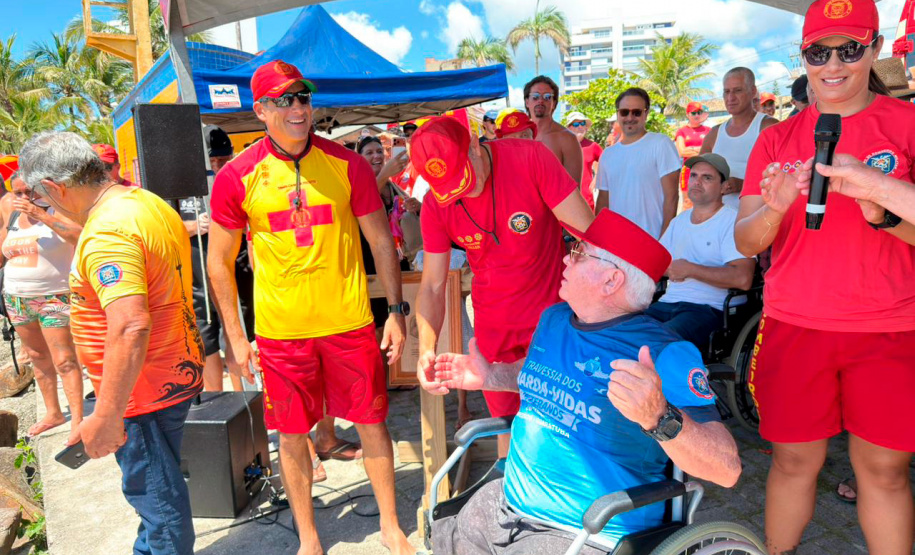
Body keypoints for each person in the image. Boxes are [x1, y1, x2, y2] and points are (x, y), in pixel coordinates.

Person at [423, 209, 741, 553]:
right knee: (448, 529)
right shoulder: (555, 318)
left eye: (577, 252)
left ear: (611, 281)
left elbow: (727, 469)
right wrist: (490, 375)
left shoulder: (665, 353)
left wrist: (660, 417)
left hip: (583, 531)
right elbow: (536, 372)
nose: (565, 258)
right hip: (505, 503)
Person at [206, 60, 415, 555]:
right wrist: (237, 339)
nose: (298, 107)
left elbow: (380, 241)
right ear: (261, 110)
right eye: (284, 100)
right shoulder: (237, 175)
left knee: (372, 422)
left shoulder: (348, 164)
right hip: (282, 335)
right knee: (292, 435)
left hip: (350, 325)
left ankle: (391, 526)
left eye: (303, 97)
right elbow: (218, 263)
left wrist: (395, 311)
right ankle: (310, 539)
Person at [734, 1, 915, 552]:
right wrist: (774, 208)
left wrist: (883, 206)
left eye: (850, 49)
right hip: (794, 325)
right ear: (804, 56)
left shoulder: (907, 125)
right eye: (819, 53)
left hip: (889, 327)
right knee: (792, 461)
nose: (833, 65)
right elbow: (746, 242)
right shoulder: (776, 138)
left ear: (875, 49)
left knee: (884, 473)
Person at [21, 131, 204, 555]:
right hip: (172, 372)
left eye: (43, 200)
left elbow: (130, 326)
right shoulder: (144, 202)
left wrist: (106, 415)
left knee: (158, 502)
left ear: (53, 187)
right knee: (156, 493)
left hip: (140, 394)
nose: (47, 208)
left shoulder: (107, 232)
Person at [412, 116, 593, 457]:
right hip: (494, 333)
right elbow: (433, 286)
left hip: (551, 323)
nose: (464, 193)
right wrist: (426, 349)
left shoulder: (530, 157)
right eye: (451, 190)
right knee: (506, 429)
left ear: (475, 146)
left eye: (464, 179)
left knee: (562, 430)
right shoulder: (436, 205)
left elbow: (589, 233)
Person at [0, 173, 83, 444]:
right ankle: (53, 413)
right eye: (18, 193)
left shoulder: (59, 210)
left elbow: (78, 236)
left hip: (53, 297)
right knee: (37, 357)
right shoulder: (13, 217)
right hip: (17, 298)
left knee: (64, 360)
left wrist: (40, 213)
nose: (25, 198)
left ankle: (78, 420)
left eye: (29, 191)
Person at [644, 154, 755, 351]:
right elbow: (655, 264)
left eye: (707, 177)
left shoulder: (733, 222)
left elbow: (743, 278)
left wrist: (690, 270)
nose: (697, 181)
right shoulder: (679, 221)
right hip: (667, 302)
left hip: (707, 309)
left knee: (656, 340)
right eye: (694, 175)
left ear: (724, 187)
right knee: (622, 330)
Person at [178, 125, 249, 393]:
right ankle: (216, 400)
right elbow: (164, 227)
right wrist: (193, 226)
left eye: (224, 159)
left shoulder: (239, 180)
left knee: (238, 338)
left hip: (236, 277)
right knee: (206, 345)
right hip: (199, 284)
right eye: (213, 161)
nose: (218, 166)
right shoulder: (181, 186)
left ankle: (246, 400)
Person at [595, 87, 681, 239]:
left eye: (636, 112)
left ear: (646, 113)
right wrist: (598, 238)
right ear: (618, 114)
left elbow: (672, 197)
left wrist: (664, 240)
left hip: (652, 239)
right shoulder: (608, 154)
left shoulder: (660, 144)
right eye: (624, 112)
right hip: (616, 241)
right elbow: (603, 200)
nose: (630, 117)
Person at [700, 68, 779, 210]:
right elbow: (699, 176)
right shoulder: (715, 133)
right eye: (726, 91)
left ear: (753, 91)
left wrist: (742, 184)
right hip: (719, 217)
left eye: (737, 90)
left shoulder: (768, 127)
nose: (730, 98)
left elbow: (786, 176)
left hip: (757, 216)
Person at [523, 75, 583, 184]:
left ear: (554, 103)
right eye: (535, 96)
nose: (540, 101)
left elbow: (574, 187)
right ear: (527, 102)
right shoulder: (517, 137)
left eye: (547, 97)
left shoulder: (567, 139)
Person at [674, 101, 712, 210]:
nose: (697, 115)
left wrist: (691, 149)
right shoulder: (682, 131)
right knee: (688, 202)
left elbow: (711, 150)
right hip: (688, 171)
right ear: (687, 114)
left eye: (699, 112)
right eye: (694, 113)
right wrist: (701, 149)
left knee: (706, 202)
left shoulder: (709, 131)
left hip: (706, 170)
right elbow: (682, 152)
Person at [565, 111, 603, 212]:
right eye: (576, 124)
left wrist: (597, 178)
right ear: (569, 128)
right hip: (565, 201)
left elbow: (608, 162)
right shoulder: (562, 145)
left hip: (586, 200)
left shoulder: (593, 146)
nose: (580, 127)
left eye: (582, 123)